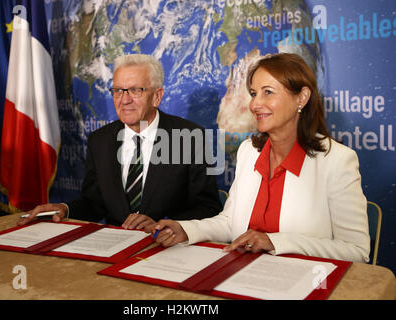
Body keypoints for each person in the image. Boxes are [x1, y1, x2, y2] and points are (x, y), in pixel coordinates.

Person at [147, 53, 370, 262]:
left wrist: (275, 242)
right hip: (242, 278)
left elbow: (357, 251)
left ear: (301, 97)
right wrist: (186, 229)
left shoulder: (337, 161)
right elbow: (230, 223)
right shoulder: (249, 151)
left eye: (268, 92)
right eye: (254, 94)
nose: (254, 104)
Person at [19, 54, 221, 228]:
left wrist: (162, 225)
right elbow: (94, 203)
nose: (124, 100)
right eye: (118, 90)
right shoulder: (100, 140)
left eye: (135, 90)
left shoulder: (190, 137)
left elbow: (208, 207)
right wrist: (65, 209)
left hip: (167, 249)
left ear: (157, 97)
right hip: (115, 250)